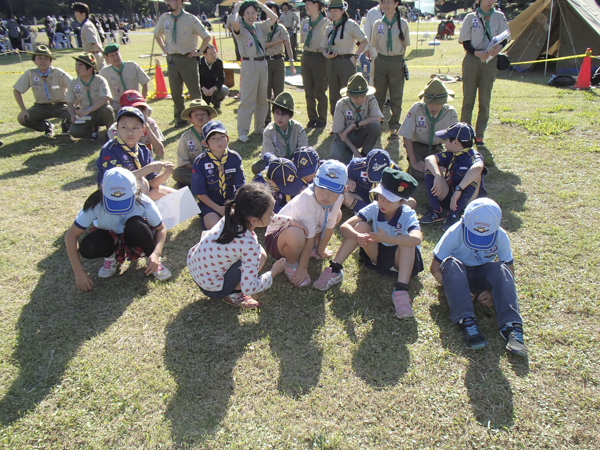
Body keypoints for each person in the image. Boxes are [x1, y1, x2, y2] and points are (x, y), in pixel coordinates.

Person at [314, 168, 422, 318]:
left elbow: (417, 239)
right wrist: (358, 236)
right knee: (360, 226)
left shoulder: (407, 213)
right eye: (381, 196)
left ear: (402, 202)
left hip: (400, 262)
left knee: (407, 242)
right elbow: (345, 226)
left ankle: (401, 291)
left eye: (389, 199)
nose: (382, 202)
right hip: (377, 256)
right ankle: (335, 269)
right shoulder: (375, 207)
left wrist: (386, 239)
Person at [430, 198, 528, 355]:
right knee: (450, 264)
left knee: (501, 269)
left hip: (482, 274)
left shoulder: (501, 236)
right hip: (458, 276)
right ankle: (467, 321)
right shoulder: (454, 232)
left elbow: (509, 270)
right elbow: (435, 268)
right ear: (464, 221)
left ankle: (512, 327)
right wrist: (453, 289)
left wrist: (492, 292)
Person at [188, 183, 302, 309]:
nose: (273, 215)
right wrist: (273, 271)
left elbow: (268, 218)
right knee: (261, 255)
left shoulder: (232, 215)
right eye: (270, 213)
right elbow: (249, 287)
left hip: (197, 272)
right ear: (253, 220)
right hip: (213, 288)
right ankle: (234, 294)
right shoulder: (248, 245)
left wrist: (289, 221)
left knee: (255, 253)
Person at [65, 167, 172, 292]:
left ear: (135, 190)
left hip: (133, 235)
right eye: (113, 201)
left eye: (124, 201)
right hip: (109, 236)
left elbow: (161, 228)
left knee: (136, 225)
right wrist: (78, 273)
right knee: (88, 246)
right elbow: (70, 236)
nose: (119, 210)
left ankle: (152, 260)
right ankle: (111, 256)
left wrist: (156, 253)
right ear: (102, 191)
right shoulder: (95, 205)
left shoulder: (143, 202)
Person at [265, 160, 347, 287]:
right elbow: (308, 234)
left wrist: (321, 250)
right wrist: (303, 268)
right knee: (297, 233)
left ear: (343, 190)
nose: (326, 195)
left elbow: (330, 225)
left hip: (305, 233)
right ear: (314, 181)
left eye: (333, 190)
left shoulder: (339, 199)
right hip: (278, 239)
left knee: (337, 215)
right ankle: (291, 265)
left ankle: (313, 249)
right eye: (322, 187)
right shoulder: (307, 198)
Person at [97, 106, 175, 201]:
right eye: (124, 127)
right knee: (141, 182)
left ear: (142, 130)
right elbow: (117, 180)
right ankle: (140, 214)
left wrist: (166, 174)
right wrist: (149, 168)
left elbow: (153, 183)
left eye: (135, 127)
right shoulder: (109, 149)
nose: (130, 132)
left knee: (178, 197)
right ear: (117, 128)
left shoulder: (143, 150)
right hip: (115, 196)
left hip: (141, 193)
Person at [458, 0, 509, 146]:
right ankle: (465, 133)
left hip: (490, 61)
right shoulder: (470, 17)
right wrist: (476, 53)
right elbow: (465, 41)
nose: (489, 2)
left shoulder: (499, 16)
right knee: (468, 99)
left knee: (485, 98)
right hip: (473, 59)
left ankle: (479, 134)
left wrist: (498, 48)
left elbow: (504, 37)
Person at [420, 122, 487, 231]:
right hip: (449, 197)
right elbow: (429, 159)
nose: (444, 142)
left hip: (467, 201)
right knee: (430, 167)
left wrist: (458, 189)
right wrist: (437, 175)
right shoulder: (451, 154)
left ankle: (453, 215)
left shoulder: (472, 155)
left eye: (446, 139)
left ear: (455, 141)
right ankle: (436, 210)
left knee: (476, 174)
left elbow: (478, 167)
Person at [154, 0, 211, 127]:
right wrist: (164, 50)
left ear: (179, 1)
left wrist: (199, 52)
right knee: (175, 92)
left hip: (188, 58)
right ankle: (180, 119)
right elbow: (156, 35)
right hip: (172, 59)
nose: (167, 3)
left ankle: (200, 118)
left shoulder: (191, 19)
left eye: (170, 0)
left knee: (194, 91)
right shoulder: (164, 18)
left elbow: (207, 37)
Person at [230, 0, 280, 142]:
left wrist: (261, 4)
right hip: (248, 64)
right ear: (242, 15)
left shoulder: (258, 27)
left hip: (262, 63)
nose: (251, 16)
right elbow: (234, 23)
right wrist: (236, 8)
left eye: (253, 12)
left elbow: (274, 18)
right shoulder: (240, 27)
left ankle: (259, 127)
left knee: (262, 98)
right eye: (247, 13)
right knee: (247, 99)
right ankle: (243, 132)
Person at [399, 79, 458, 180]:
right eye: (430, 103)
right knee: (420, 174)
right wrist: (414, 162)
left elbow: (455, 140)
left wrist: (449, 160)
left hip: (437, 148)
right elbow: (406, 136)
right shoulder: (417, 109)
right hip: (417, 147)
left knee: (446, 170)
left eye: (438, 104)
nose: (433, 107)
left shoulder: (450, 113)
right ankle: (416, 164)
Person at [191, 120, 245, 230]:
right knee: (214, 225)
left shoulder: (234, 158)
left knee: (242, 222)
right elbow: (201, 194)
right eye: (213, 138)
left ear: (228, 138)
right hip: (211, 201)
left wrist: (234, 205)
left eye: (222, 137)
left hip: (231, 199)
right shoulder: (200, 162)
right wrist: (219, 209)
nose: (219, 141)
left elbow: (241, 187)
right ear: (205, 143)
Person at [370, 0, 410, 139]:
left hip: (396, 61)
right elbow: (374, 44)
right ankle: (377, 125)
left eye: (389, 2)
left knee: (396, 96)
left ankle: (394, 127)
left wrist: (397, 60)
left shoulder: (403, 24)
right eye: (383, 2)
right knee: (378, 95)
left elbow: (405, 45)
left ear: (396, 4)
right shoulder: (377, 24)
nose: (385, 5)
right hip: (381, 60)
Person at [321, 0, 368, 117]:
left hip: (347, 61)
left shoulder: (350, 24)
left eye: (336, 11)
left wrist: (356, 56)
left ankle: (350, 119)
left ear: (342, 11)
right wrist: (326, 54)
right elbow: (322, 47)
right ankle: (336, 120)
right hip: (332, 62)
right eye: (330, 11)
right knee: (333, 93)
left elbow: (364, 40)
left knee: (348, 92)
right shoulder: (330, 27)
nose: (333, 14)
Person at [13, 45, 72, 138]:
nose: (43, 61)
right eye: (39, 58)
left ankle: (66, 125)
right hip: (41, 107)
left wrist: (73, 103)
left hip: (60, 105)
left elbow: (73, 87)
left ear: (50, 61)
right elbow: (17, 91)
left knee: (77, 114)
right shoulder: (30, 73)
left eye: (46, 58)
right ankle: (46, 126)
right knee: (24, 118)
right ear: (34, 60)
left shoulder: (58, 72)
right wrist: (23, 110)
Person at [330, 73, 383, 164]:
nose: (359, 101)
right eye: (355, 98)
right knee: (336, 158)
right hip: (344, 137)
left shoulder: (370, 99)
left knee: (375, 126)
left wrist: (355, 124)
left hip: (361, 133)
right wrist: (355, 151)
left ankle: (365, 155)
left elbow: (378, 118)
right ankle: (348, 156)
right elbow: (340, 132)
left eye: (362, 97)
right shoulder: (341, 104)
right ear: (349, 95)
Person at [251, 92, 308, 174]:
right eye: (277, 113)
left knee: (308, 162)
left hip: (294, 162)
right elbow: (269, 155)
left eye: (284, 114)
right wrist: (281, 165)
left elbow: (304, 150)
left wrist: (295, 162)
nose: (279, 118)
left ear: (290, 116)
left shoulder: (297, 128)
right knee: (256, 167)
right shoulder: (269, 131)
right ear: (273, 113)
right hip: (276, 163)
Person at [66, 53, 114, 141]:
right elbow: (69, 103)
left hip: (99, 113)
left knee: (107, 109)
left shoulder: (100, 80)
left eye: (80, 66)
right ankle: (92, 132)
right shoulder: (74, 82)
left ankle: (110, 133)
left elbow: (104, 98)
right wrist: (73, 115)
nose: (77, 69)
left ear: (90, 68)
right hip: (85, 116)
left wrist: (88, 110)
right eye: (76, 65)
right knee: (74, 132)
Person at [263, 1, 296, 125]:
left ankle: (281, 117)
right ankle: (266, 118)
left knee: (279, 91)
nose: (271, 15)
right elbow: (261, 45)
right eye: (268, 12)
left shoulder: (281, 28)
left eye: (274, 12)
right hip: (265, 61)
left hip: (278, 60)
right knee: (265, 91)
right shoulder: (261, 27)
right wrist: (275, 42)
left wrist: (291, 62)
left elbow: (287, 44)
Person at [106, 90, 165, 157]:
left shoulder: (150, 123)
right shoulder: (115, 129)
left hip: (147, 164)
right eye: (132, 109)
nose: (137, 113)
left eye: (140, 109)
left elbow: (160, 152)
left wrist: (146, 127)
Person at [173, 98, 218, 187]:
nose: (200, 117)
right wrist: (200, 168)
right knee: (177, 173)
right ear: (190, 120)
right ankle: (209, 183)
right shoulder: (186, 137)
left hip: (216, 169)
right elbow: (183, 163)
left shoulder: (218, 134)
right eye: (196, 114)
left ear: (209, 118)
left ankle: (199, 183)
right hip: (195, 170)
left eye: (203, 114)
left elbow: (225, 156)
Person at [300, 0, 331, 129]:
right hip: (306, 56)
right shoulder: (304, 23)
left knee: (320, 90)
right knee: (308, 90)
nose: (306, 6)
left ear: (317, 5)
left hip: (320, 57)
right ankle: (312, 118)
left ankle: (322, 118)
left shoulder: (326, 23)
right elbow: (303, 40)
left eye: (309, 4)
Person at [343, 149, 400, 214]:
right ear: (365, 164)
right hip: (362, 196)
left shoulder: (394, 169)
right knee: (344, 196)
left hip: (384, 199)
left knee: (410, 202)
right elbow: (341, 178)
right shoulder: (355, 166)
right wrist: (348, 180)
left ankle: (372, 213)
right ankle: (372, 214)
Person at [99, 43, 151, 111]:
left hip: (134, 100)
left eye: (117, 54)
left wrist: (142, 99)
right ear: (106, 57)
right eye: (112, 55)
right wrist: (110, 102)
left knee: (147, 110)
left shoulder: (132, 65)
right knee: (107, 110)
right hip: (116, 103)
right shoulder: (104, 72)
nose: (115, 57)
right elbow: (101, 91)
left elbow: (145, 83)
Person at [72, 3, 105, 70]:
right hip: (96, 54)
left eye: (76, 12)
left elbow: (94, 42)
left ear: (83, 14)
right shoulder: (88, 23)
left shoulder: (86, 26)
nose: (75, 14)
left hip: (93, 55)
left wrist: (105, 54)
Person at [199, 44, 229, 109]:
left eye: (215, 53)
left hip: (213, 87)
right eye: (211, 54)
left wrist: (214, 88)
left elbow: (221, 78)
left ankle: (216, 102)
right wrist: (203, 88)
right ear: (205, 55)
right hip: (202, 88)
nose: (214, 55)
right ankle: (203, 103)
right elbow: (195, 79)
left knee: (225, 90)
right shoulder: (199, 63)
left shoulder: (218, 62)